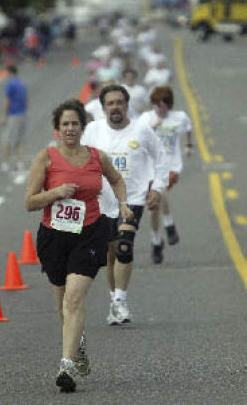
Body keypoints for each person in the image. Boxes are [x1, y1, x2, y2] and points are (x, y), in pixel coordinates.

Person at [25, 99, 133, 393]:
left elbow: (117, 180)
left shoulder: (97, 157)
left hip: (90, 233)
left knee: (74, 298)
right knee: (63, 304)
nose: (71, 128)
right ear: (57, 129)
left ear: (83, 127)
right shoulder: (46, 158)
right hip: (54, 236)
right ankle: (78, 346)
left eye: (75, 123)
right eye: (65, 124)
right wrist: (56, 192)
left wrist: (123, 203)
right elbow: (29, 202)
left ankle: (66, 366)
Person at [81, 84, 168, 325]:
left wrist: (158, 188)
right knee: (110, 254)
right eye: (110, 103)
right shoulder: (92, 131)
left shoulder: (142, 131)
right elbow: (78, 159)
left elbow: (161, 158)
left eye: (120, 102)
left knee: (124, 247)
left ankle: (120, 301)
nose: (115, 107)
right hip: (101, 202)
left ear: (127, 105)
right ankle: (114, 301)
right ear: (103, 107)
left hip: (133, 199)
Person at [138, 86, 193, 263]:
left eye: (164, 106)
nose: (161, 110)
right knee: (154, 207)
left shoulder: (180, 117)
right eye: (157, 106)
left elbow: (188, 129)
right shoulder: (146, 119)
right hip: (150, 168)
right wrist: (151, 129)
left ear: (169, 105)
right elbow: (135, 138)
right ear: (153, 105)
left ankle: (169, 225)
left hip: (172, 165)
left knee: (160, 189)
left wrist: (189, 145)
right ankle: (156, 242)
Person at [1, 65, 28, 172]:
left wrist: (3, 114)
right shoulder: (22, 84)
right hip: (23, 114)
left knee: (6, 139)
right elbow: (26, 101)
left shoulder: (10, 84)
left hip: (13, 113)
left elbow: (8, 100)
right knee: (19, 140)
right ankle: (20, 162)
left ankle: (5, 163)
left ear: (9, 72)